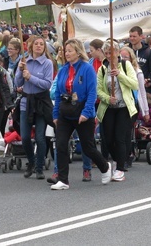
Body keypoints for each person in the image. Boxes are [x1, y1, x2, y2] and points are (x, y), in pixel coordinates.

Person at [51, 39, 113, 190]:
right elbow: (58, 93)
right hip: (66, 112)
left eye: (70, 51)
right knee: (60, 144)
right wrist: (55, 114)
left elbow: (92, 93)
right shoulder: (63, 70)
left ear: (78, 52)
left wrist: (86, 112)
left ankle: (105, 167)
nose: (67, 54)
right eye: (66, 51)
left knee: (88, 147)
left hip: (83, 112)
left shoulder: (87, 69)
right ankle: (63, 180)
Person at [96, 42, 138, 182]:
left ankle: (120, 168)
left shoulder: (126, 66)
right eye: (106, 53)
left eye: (111, 53)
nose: (109, 56)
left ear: (118, 52)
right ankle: (115, 159)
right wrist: (108, 98)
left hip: (124, 107)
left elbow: (134, 84)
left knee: (120, 137)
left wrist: (120, 75)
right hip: (109, 107)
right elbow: (98, 90)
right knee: (108, 139)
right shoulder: (102, 69)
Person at [14, 37, 54, 180]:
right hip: (26, 102)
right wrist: (20, 71)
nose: (39, 46)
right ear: (31, 46)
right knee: (25, 137)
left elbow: (47, 84)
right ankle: (31, 162)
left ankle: (39, 166)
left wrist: (30, 77)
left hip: (41, 103)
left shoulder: (47, 63)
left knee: (40, 137)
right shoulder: (25, 61)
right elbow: (17, 83)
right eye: (36, 44)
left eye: (41, 44)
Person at [128, 26, 151, 91]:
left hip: (145, 88)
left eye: (134, 36)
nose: (132, 38)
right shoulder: (127, 51)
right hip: (130, 87)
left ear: (141, 36)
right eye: (130, 36)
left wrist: (149, 80)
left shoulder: (149, 52)